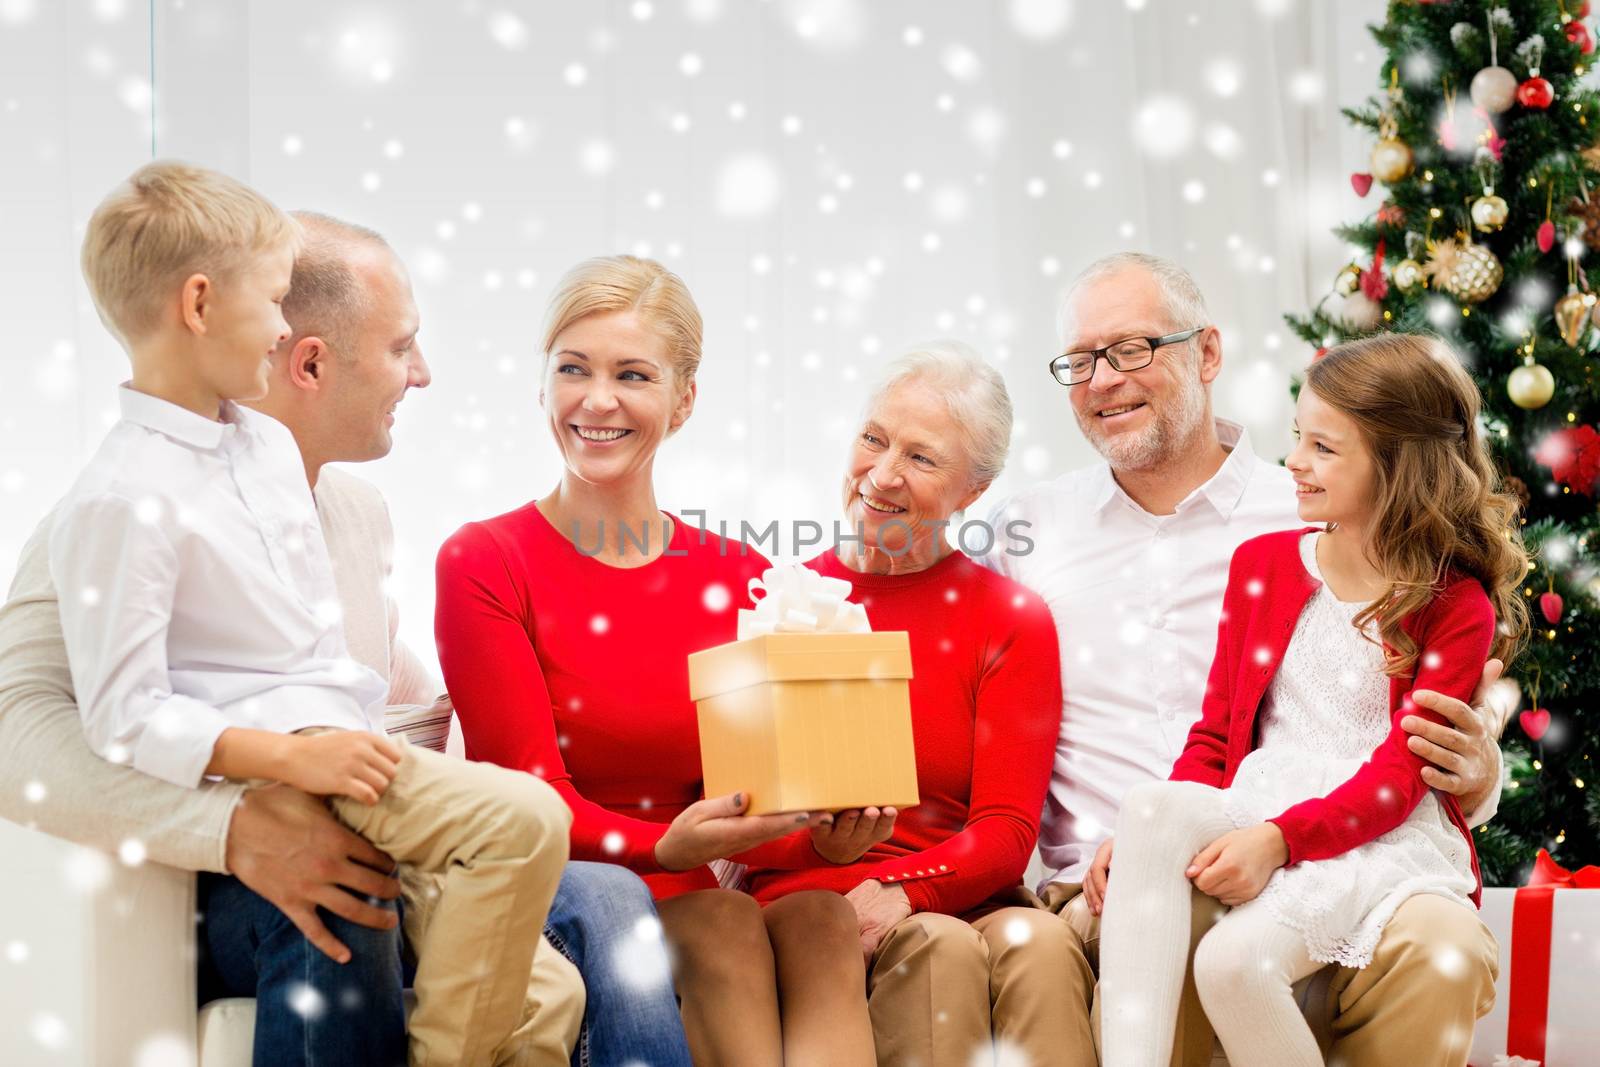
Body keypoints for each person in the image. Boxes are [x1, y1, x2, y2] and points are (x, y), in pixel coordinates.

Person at [47, 161, 572, 1066]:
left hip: (344, 753)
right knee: (524, 821)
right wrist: (290, 755)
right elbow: (122, 715)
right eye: (275, 300)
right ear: (202, 304)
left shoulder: (261, 448)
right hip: (282, 774)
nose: (289, 326)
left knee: (549, 990)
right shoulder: (117, 499)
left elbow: (320, 646)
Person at [973, 253, 1507, 1066]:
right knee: (1162, 851)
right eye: (1079, 360)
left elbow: (1424, 741)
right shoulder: (1028, 529)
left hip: (1332, 838)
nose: (1102, 379)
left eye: (1130, 349)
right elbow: (955, 687)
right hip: (1118, 869)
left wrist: (1480, 771)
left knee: (1441, 946)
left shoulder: (1307, 513)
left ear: (1208, 355)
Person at [435, 254, 878, 1066]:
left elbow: (744, 812)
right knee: (723, 918)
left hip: (691, 889)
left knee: (822, 916)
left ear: (683, 401)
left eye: (632, 374)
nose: (596, 399)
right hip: (567, 895)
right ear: (542, 385)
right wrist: (663, 850)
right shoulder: (485, 559)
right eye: (573, 369)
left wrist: (824, 845)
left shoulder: (739, 575)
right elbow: (534, 804)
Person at [1097, 332, 1528, 1066]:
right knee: (1148, 810)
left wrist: (1282, 841)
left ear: (1398, 467)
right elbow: (1213, 733)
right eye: (1300, 437)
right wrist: (1159, 836)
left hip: (1378, 833)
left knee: (1235, 965)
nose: (1293, 460)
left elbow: (1399, 780)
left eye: (1324, 448)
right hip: (1264, 796)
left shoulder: (1454, 602)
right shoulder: (1262, 565)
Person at [738, 341, 1064, 1067]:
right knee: (941, 949)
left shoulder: (1009, 618)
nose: (881, 475)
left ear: (973, 490)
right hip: (808, 902)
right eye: (873, 439)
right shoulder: (778, 602)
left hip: (956, 890)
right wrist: (835, 864)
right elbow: (734, 817)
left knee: (1039, 942)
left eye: (921, 458)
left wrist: (898, 890)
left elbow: (1008, 829)